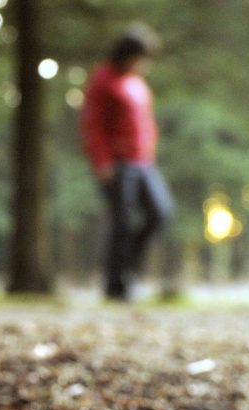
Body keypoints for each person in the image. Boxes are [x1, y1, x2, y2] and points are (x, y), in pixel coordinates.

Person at [81, 24, 174, 301]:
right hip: (117, 163)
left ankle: (128, 269)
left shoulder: (137, 83)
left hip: (143, 162)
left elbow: (145, 122)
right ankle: (115, 285)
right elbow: (92, 125)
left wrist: (150, 149)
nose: (144, 64)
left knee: (160, 212)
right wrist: (102, 162)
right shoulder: (104, 79)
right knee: (121, 223)